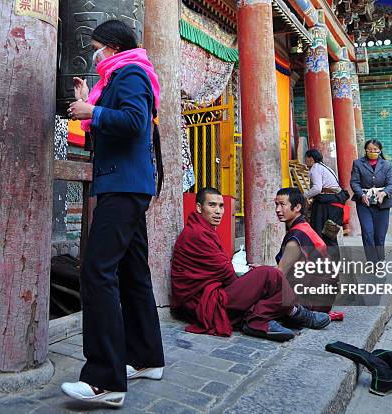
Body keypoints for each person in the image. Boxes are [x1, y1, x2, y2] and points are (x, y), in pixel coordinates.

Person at [60, 21, 164, 407]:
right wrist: (92, 104)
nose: (94, 53)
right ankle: (147, 357)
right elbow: (113, 124)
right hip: (127, 185)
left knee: (97, 271)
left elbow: (135, 122)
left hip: (123, 187)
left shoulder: (132, 72)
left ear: (114, 48)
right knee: (134, 272)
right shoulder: (119, 77)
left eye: (97, 47)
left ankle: (106, 379)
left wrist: (92, 110)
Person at [171, 187, 331, 343]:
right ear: (199, 207)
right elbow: (226, 273)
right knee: (270, 276)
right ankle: (279, 316)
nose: (218, 211)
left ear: (297, 208)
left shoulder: (298, 232)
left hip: (315, 296)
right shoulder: (197, 234)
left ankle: (267, 318)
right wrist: (250, 286)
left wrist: (251, 284)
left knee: (271, 278)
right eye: (212, 205)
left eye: (221, 206)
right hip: (204, 303)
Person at [275, 187, 339, 312]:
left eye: (282, 205)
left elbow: (280, 273)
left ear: (297, 207)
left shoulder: (297, 235)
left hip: (311, 302)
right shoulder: (304, 227)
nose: (278, 210)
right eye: (276, 205)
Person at [350, 140, 392, 263]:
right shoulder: (358, 163)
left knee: (380, 236)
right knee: (368, 233)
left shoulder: (386, 164)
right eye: (370, 149)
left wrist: (384, 193)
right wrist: (361, 194)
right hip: (364, 204)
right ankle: (372, 262)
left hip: (383, 204)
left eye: (375, 149)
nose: (372, 152)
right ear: (365, 150)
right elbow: (354, 182)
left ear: (380, 150)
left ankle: (380, 261)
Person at [303, 149, 346, 261]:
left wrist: (305, 195)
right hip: (336, 205)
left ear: (311, 159)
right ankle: (335, 262)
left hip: (325, 205)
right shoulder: (325, 168)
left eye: (306, 158)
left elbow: (317, 189)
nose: (305, 161)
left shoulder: (315, 168)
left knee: (318, 233)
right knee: (330, 235)